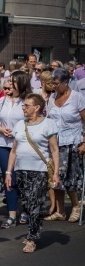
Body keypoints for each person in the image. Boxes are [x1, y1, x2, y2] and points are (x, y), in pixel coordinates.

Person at [6, 94, 60, 253]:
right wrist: (9, 172)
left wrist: (56, 172)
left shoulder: (48, 124)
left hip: (39, 170)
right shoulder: (19, 125)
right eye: (23, 105)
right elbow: (14, 150)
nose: (23, 108)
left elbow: (54, 149)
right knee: (28, 203)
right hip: (21, 170)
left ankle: (32, 237)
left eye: (27, 105)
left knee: (36, 203)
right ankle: (33, 229)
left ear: (37, 107)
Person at [0, 71, 32, 228]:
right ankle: (12, 214)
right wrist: (1, 130)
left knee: (23, 178)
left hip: (22, 145)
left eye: (13, 81)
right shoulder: (2, 101)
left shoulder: (27, 101)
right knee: (9, 179)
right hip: (4, 144)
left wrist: (17, 132)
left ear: (20, 83)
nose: (9, 84)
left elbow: (33, 121)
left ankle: (26, 210)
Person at [45, 68, 85, 222]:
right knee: (56, 177)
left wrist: (84, 142)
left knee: (70, 177)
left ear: (65, 82)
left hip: (72, 142)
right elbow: (49, 120)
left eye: (56, 83)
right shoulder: (51, 98)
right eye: (52, 83)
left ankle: (76, 205)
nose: (53, 86)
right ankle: (60, 211)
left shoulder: (77, 98)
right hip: (55, 143)